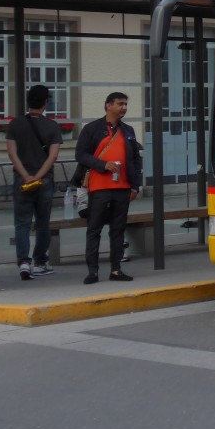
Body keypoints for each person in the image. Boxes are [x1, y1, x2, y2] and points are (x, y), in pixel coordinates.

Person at [74, 91, 142, 284]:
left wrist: (135, 185)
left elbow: (136, 159)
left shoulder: (128, 130)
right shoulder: (92, 129)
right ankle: (92, 272)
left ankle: (116, 269)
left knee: (118, 229)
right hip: (99, 188)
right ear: (108, 105)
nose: (124, 108)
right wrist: (102, 165)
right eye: (120, 104)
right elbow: (81, 154)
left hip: (123, 187)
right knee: (94, 229)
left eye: (125, 104)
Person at [5, 85, 63, 280]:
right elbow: (53, 156)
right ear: (46, 102)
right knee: (42, 222)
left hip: (21, 180)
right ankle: (40, 261)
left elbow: (12, 153)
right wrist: (38, 176)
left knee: (22, 223)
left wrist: (25, 175)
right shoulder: (52, 126)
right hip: (44, 180)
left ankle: (23, 262)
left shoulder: (15, 124)